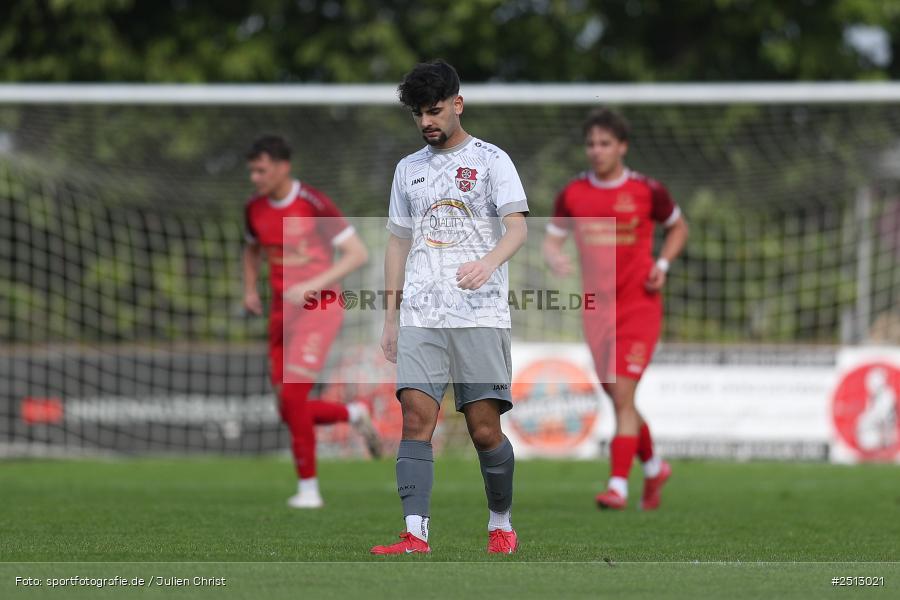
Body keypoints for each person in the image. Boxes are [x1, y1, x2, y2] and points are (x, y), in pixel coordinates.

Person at [370, 60, 529, 555]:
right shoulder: (407, 169)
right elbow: (398, 243)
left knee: (484, 431)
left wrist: (488, 262)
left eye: (434, 111)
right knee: (416, 421)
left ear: (457, 104)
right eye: (418, 114)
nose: (426, 122)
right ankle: (414, 534)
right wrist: (391, 317)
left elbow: (518, 227)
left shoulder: (491, 161)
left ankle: (500, 524)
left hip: (479, 314)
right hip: (422, 315)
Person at [543, 108, 689, 511]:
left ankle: (618, 486)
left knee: (623, 392)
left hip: (639, 305)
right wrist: (554, 256)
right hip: (596, 310)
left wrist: (663, 265)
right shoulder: (573, 193)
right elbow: (552, 239)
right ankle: (655, 468)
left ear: (622, 146)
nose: (596, 150)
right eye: (591, 143)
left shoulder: (647, 190)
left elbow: (679, 227)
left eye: (605, 143)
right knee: (617, 395)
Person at [242, 135, 381, 509]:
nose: (255, 177)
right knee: (288, 409)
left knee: (293, 398)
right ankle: (353, 413)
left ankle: (309, 491)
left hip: (320, 307)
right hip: (281, 312)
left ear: (283, 167)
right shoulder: (254, 208)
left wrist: (311, 285)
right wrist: (250, 290)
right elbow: (251, 248)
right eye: (252, 171)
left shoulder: (313, 203)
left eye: (262, 170)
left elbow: (357, 254)